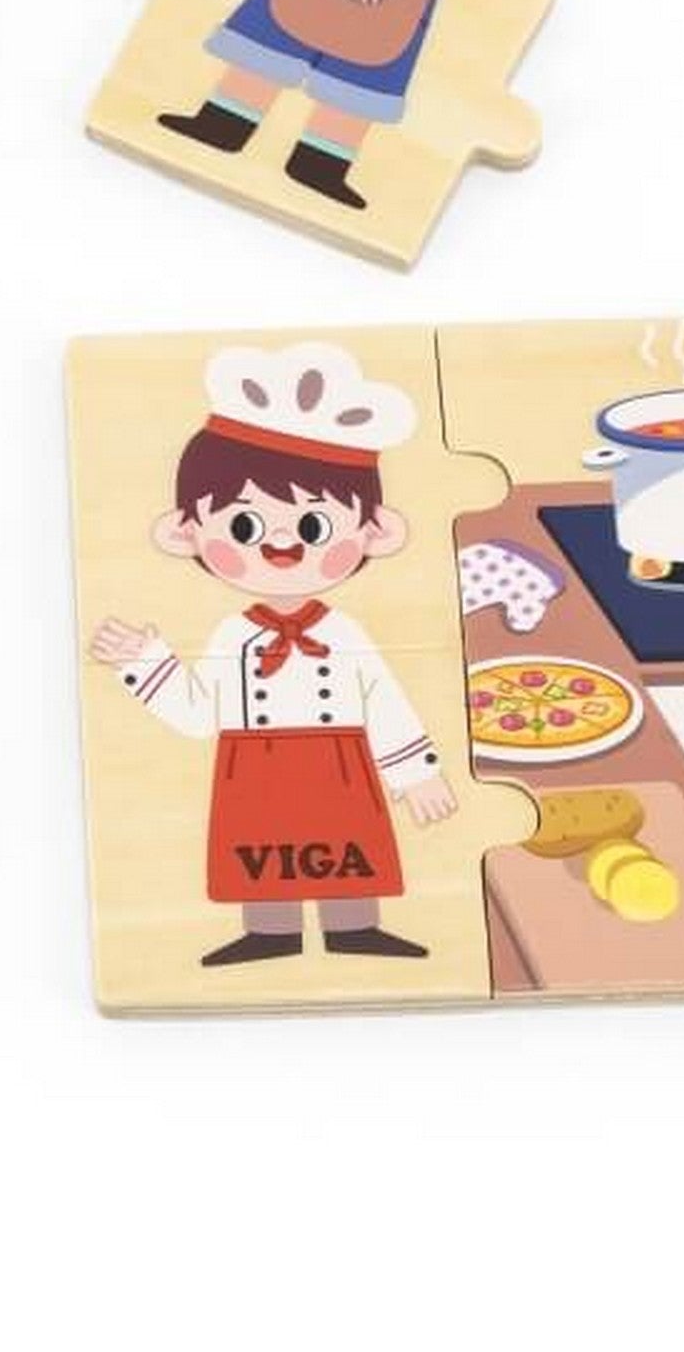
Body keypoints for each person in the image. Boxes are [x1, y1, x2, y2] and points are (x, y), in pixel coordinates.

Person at [90, 342, 459, 965]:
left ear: (375, 532)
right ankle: (269, 932)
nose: (282, 544)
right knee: (259, 852)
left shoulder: (347, 633)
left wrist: (414, 774)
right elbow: (197, 715)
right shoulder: (231, 637)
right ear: (185, 532)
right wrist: (144, 660)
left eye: (314, 527)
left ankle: (354, 927)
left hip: (340, 764)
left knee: (348, 846)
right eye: (246, 527)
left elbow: (385, 703)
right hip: (251, 769)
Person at [156, 0, 514, 210]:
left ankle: (320, 165)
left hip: (393, 15)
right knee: (265, 55)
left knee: (355, 86)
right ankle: (221, 125)